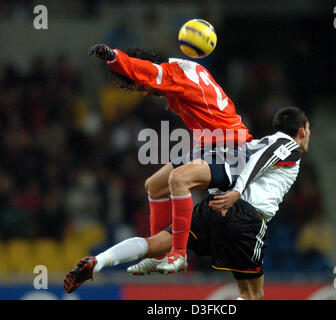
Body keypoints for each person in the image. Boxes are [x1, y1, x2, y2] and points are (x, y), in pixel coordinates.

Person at [64, 107, 310, 300]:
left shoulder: (257, 142)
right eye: (308, 129)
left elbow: (230, 160)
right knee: (253, 294)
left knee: (157, 243)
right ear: (302, 130)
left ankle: (100, 261)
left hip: (215, 207)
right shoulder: (287, 145)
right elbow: (260, 160)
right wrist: (236, 191)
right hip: (246, 217)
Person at [88, 43, 253, 273]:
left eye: (140, 87)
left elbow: (146, 71)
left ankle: (178, 253)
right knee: (154, 185)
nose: (144, 93)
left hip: (233, 149)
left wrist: (114, 57)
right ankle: (158, 253)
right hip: (210, 145)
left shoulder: (173, 74)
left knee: (178, 179)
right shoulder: (184, 70)